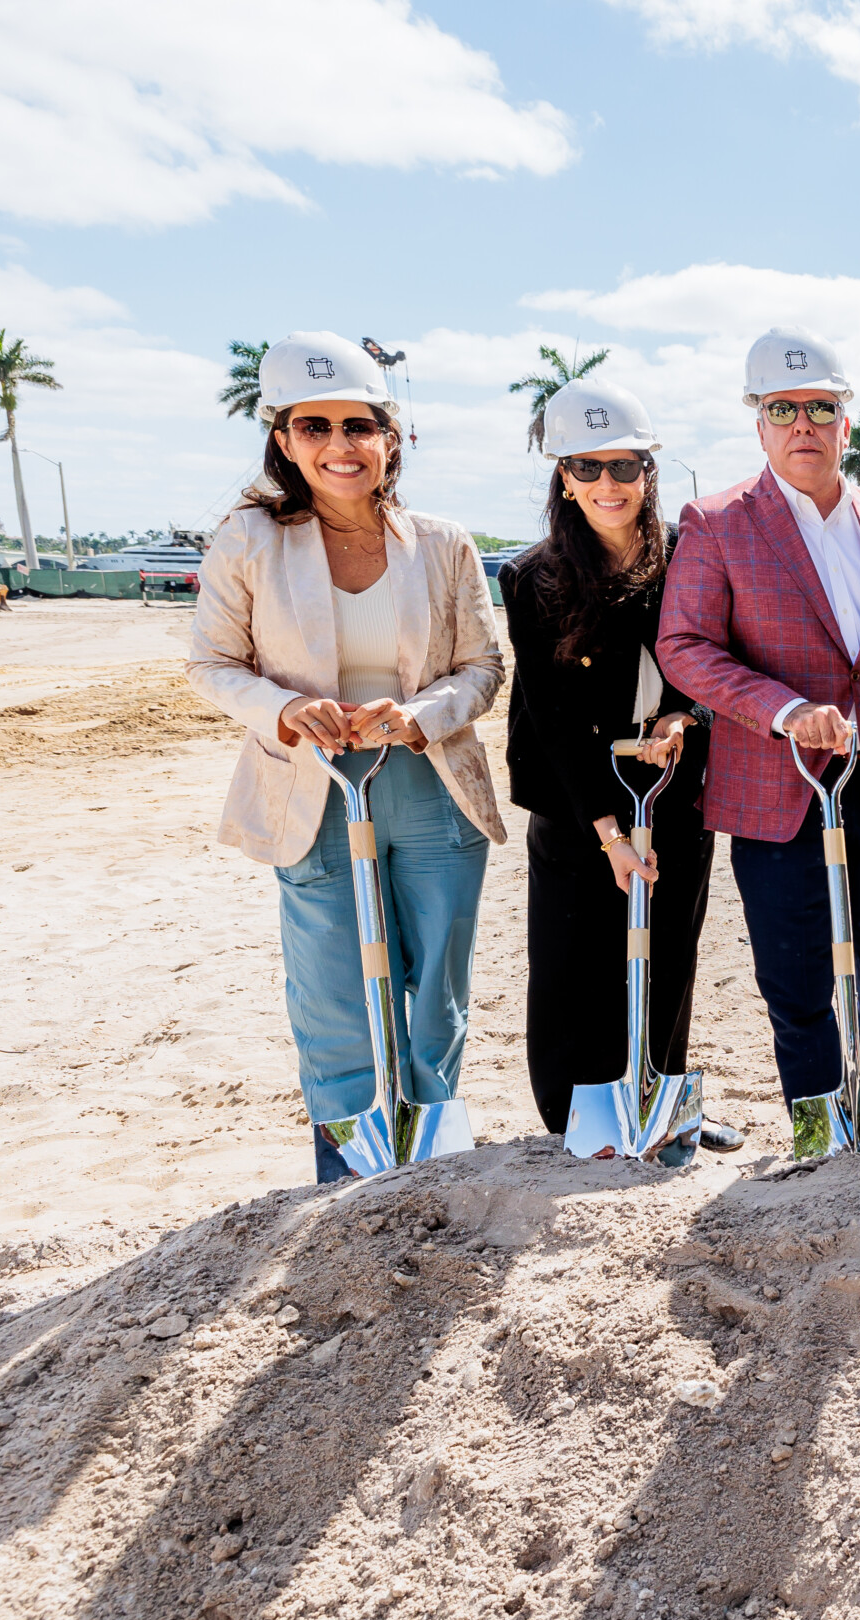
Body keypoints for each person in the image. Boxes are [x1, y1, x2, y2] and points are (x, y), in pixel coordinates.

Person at [183, 331, 505, 1181]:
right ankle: (352, 1174)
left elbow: (483, 666)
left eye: (357, 425)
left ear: (389, 437)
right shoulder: (248, 541)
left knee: (434, 985)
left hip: (431, 788)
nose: (339, 445)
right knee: (334, 990)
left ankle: (431, 1158)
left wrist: (422, 714)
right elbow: (210, 665)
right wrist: (286, 709)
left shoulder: (442, 542)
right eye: (313, 426)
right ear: (283, 439)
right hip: (313, 788)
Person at [657, 328, 860, 1135]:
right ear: (759, 422)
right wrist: (784, 710)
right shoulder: (718, 522)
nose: (803, 425)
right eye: (782, 408)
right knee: (794, 976)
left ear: (845, 422)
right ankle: (818, 1117)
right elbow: (683, 647)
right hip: (776, 786)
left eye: (820, 408)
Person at [499, 378, 738, 1148]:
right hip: (576, 799)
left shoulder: (689, 560)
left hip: (672, 783)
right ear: (563, 477)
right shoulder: (531, 578)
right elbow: (553, 718)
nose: (609, 484)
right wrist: (606, 831)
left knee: (669, 948)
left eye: (626, 467)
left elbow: (714, 667)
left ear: (649, 473)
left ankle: (663, 1101)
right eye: (589, 467)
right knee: (575, 959)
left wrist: (686, 714)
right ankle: (578, 1115)